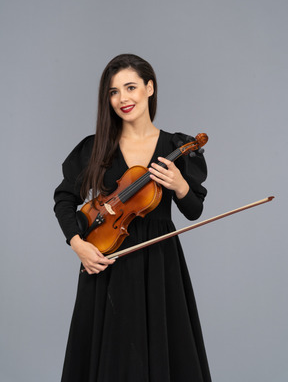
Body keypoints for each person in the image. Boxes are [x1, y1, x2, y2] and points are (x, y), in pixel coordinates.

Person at [54, 53, 211, 382]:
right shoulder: (97, 147)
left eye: (130, 87)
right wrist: (78, 244)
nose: (122, 98)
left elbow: (194, 210)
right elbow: (64, 198)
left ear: (149, 88)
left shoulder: (177, 145)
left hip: (159, 260)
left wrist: (181, 185)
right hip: (107, 259)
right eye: (113, 92)